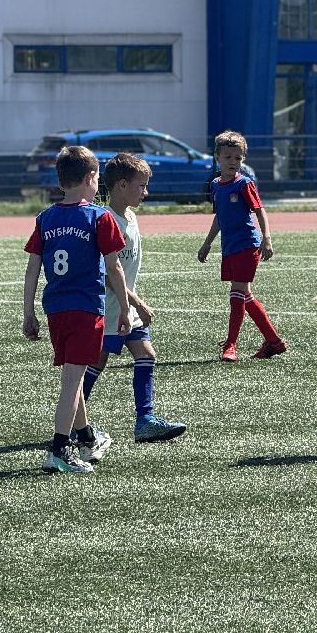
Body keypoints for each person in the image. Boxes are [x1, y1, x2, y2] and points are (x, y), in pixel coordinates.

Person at [23, 146, 130, 475]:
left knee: (74, 372)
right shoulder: (100, 217)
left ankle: (86, 437)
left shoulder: (46, 218)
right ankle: (59, 450)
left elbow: (32, 269)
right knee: (72, 382)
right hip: (86, 308)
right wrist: (125, 308)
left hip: (56, 308)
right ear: (90, 179)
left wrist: (28, 312)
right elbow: (114, 268)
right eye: (97, 178)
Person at [80, 153, 188, 443]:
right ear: (121, 185)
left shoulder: (131, 216)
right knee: (95, 364)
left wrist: (135, 303)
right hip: (111, 307)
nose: (146, 192)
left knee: (146, 355)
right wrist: (137, 303)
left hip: (128, 307)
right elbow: (107, 274)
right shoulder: (105, 220)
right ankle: (75, 422)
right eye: (141, 186)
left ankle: (145, 420)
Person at [196, 131, 285, 361]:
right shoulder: (216, 185)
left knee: (237, 293)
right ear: (217, 157)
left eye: (238, 158)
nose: (233, 162)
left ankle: (231, 346)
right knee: (244, 295)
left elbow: (259, 210)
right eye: (228, 157)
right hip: (230, 247)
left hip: (247, 245)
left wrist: (267, 238)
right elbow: (219, 217)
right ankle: (273, 341)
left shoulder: (244, 184)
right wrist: (207, 243)